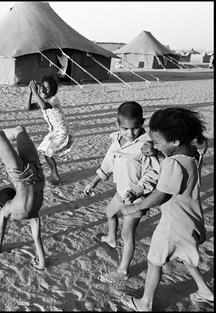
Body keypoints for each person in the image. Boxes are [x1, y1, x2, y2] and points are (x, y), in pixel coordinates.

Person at [120, 107, 213, 311]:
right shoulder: (192, 153)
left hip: (173, 224)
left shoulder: (172, 163)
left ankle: (145, 303)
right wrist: (157, 153)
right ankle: (205, 291)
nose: (154, 145)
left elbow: (161, 194)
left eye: (157, 142)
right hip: (191, 218)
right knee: (186, 255)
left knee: (154, 261)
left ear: (175, 142)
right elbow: (176, 170)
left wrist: (136, 207)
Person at [84, 101, 160, 283]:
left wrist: (137, 191)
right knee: (109, 212)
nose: (130, 133)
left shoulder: (146, 146)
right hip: (121, 192)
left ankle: (123, 271)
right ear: (117, 125)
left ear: (142, 122)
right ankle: (111, 237)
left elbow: (152, 174)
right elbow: (108, 163)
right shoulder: (117, 140)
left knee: (127, 235)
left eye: (135, 128)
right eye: (125, 128)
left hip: (136, 198)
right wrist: (94, 181)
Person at [0, 121, 47, 270]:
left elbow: (36, 237)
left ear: (4, 203)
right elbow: (0, 233)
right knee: (6, 132)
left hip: (36, 173)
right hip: (23, 177)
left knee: (16, 131)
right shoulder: (9, 209)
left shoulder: (32, 213)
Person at [25, 74, 73, 186]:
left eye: (47, 88)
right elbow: (27, 108)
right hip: (53, 132)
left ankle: (57, 178)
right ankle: (46, 173)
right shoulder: (41, 100)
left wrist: (36, 92)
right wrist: (30, 93)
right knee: (43, 151)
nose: (43, 89)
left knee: (48, 155)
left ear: (53, 91)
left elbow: (44, 106)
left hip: (61, 131)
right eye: (42, 86)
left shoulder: (53, 100)